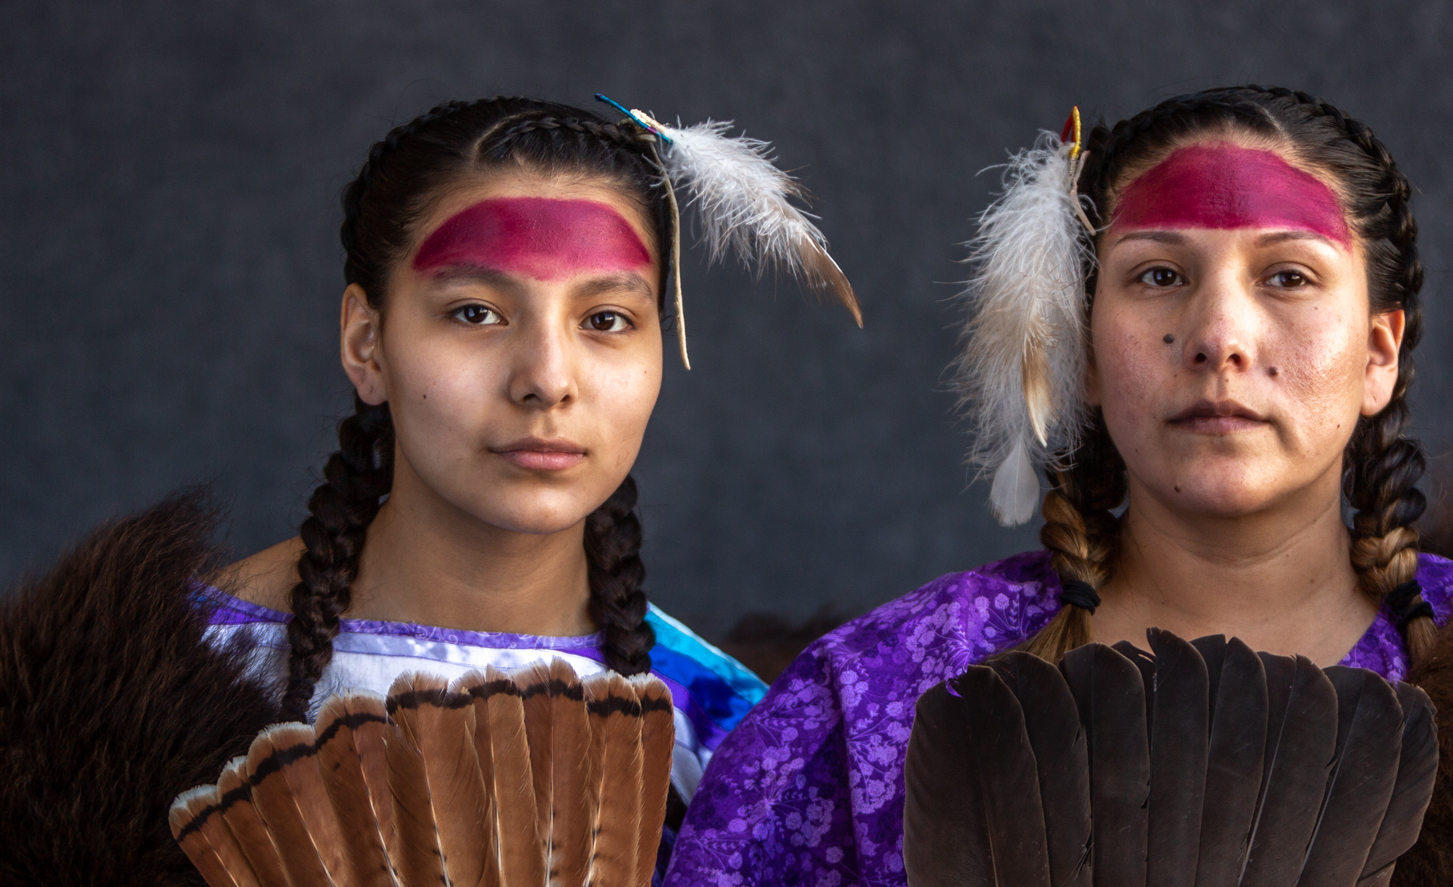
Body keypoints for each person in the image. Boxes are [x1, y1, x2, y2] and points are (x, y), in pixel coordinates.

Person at [668, 86, 1453, 887]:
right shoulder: (873, 700)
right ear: (1080, 342)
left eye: (1285, 276)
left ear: (1378, 354)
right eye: (1158, 275)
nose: (1219, 332)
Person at [0, 94, 855, 886]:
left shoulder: (736, 744)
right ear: (366, 343)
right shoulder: (108, 709)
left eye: (605, 320)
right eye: (476, 311)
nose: (547, 379)